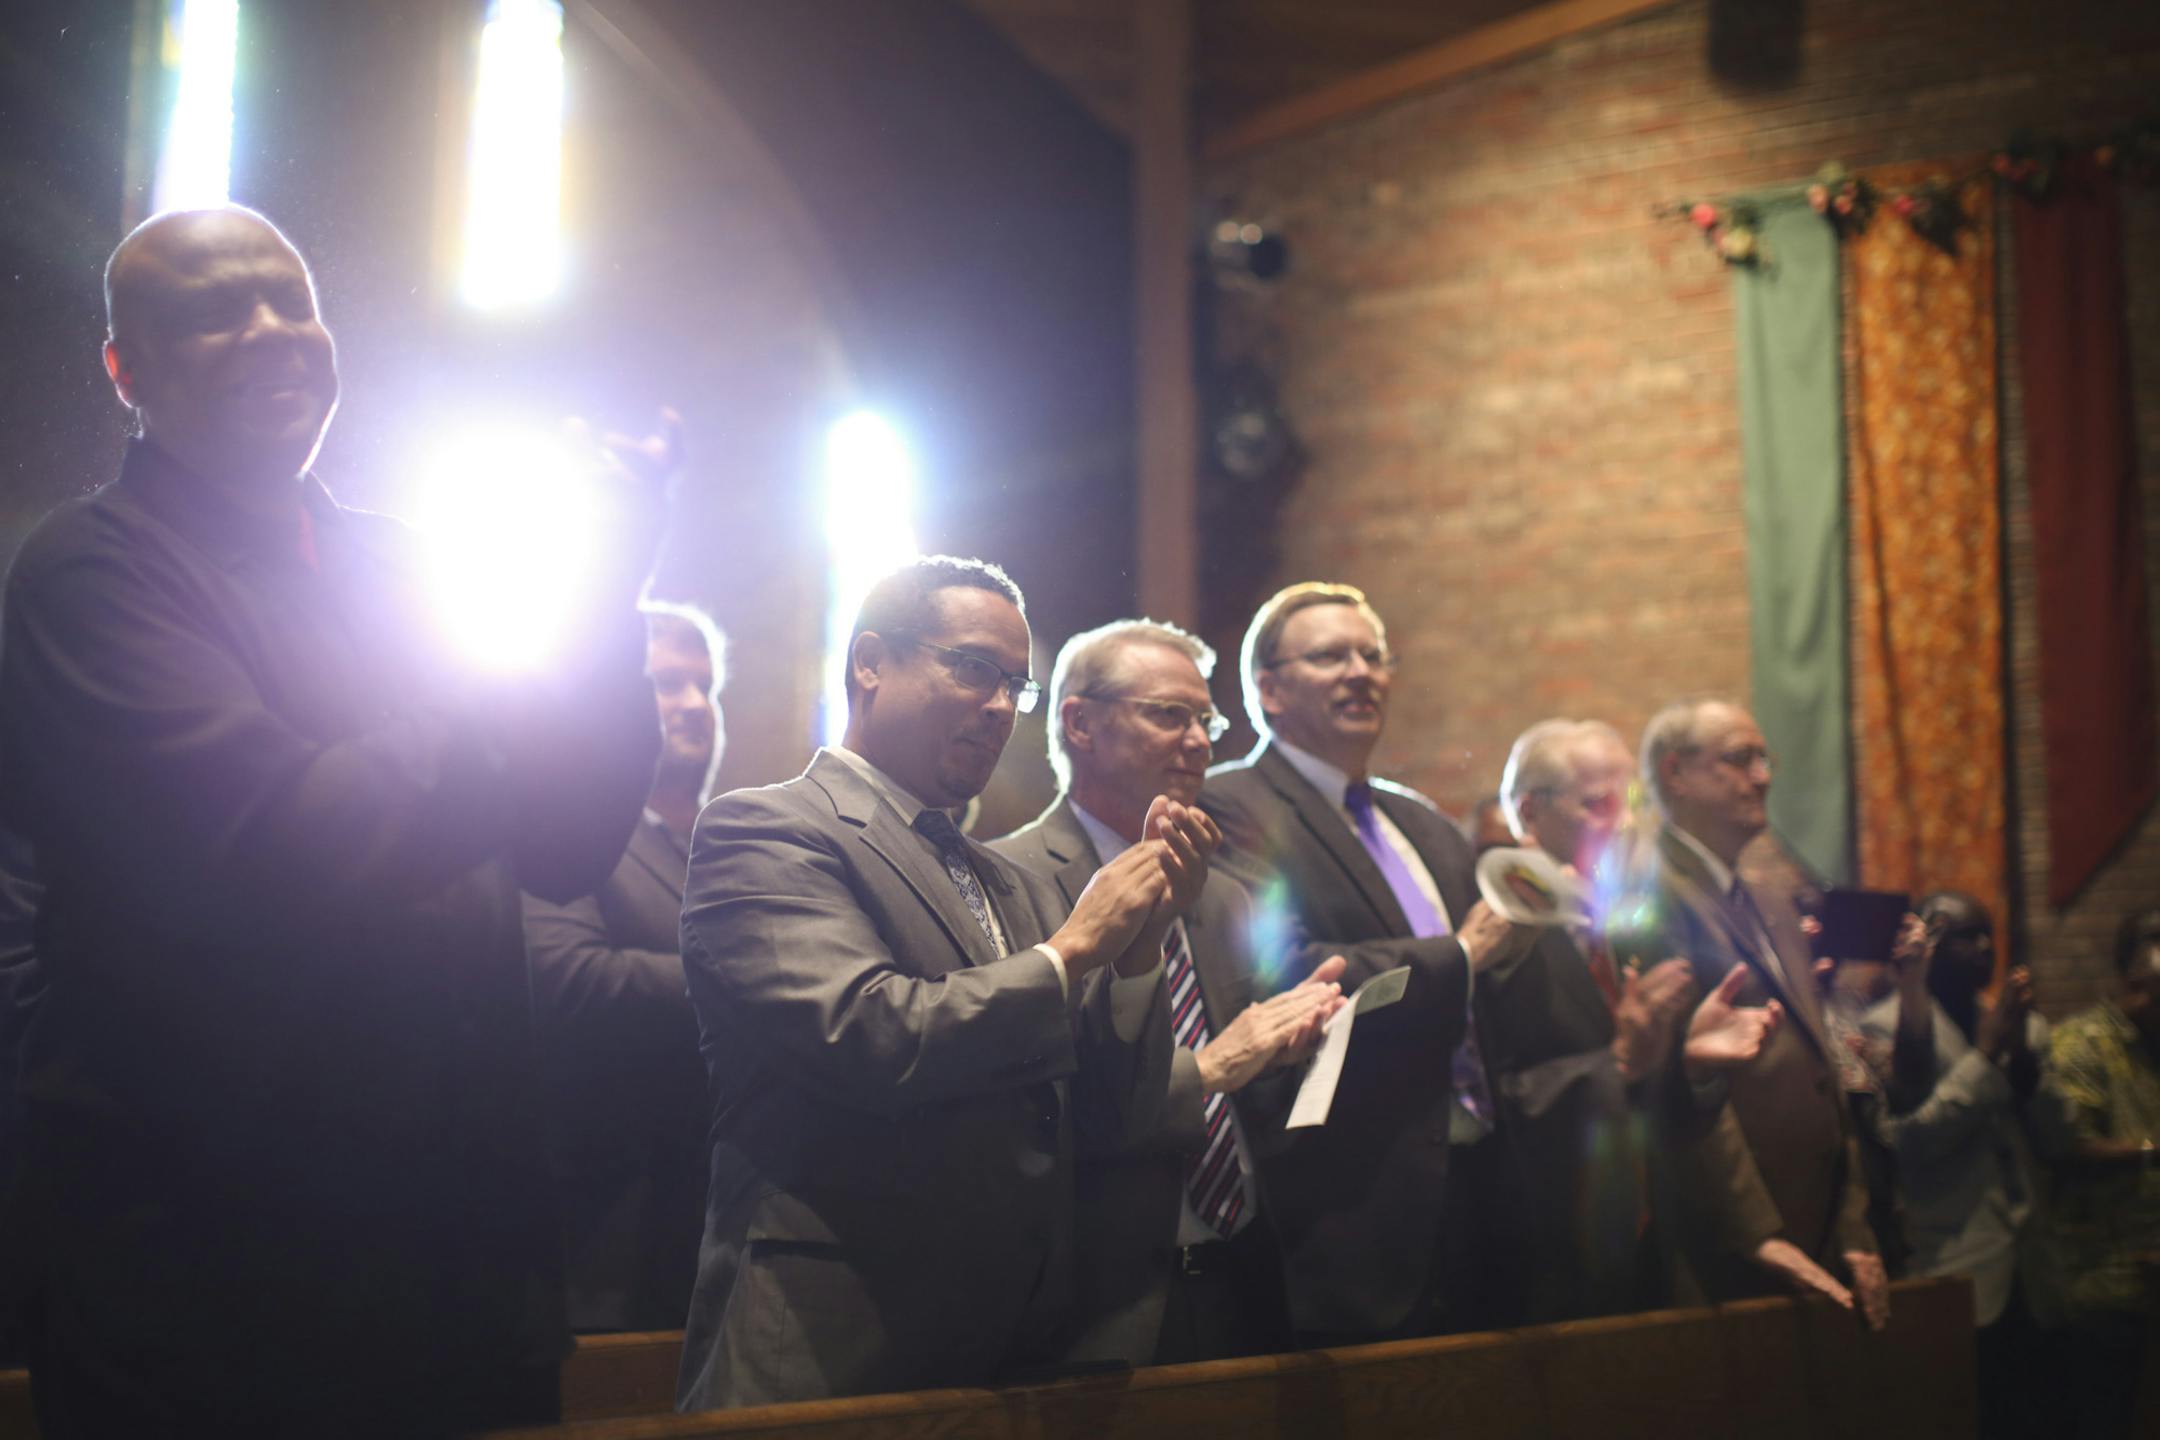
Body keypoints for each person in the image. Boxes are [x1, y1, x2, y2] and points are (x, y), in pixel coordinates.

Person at [0, 207, 668, 1435]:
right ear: (124, 368)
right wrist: (514, 692)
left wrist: (600, 614)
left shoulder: (403, 565)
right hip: (221, 1270)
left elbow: (567, 839)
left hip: (456, 1244)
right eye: (216, 311)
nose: (273, 335)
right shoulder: (93, 573)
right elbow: (283, 836)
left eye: (292, 303)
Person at [675, 557, 1204, 1409]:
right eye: (973, 670)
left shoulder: (1009, 880)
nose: (1000, 708)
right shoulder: (769, 828)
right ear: (872, 662)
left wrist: (1139, 952)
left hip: (1010, 1344)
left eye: (1016, 688)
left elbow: (1109, 1116)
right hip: (839, 1332)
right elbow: (865, 1034)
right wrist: (1070, 955)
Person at [990, 618, 1344, 1365]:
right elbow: (1033, 1106)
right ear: (1079, 722)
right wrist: (1215, 1065)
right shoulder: (1008, 881)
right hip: (1102, 1293)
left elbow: (1249, 1092)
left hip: (1246, 1274)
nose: (1200, 742)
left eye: (1206, 719)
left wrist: (1298, 1042)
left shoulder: (1224, 897)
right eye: (1168, 714)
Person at [1199, 581, 1538, 1344]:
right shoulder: (1232, 807)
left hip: (1480, 1177)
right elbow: (1286, 971)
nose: (1361, 671)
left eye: (1372, 655)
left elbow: (1487, 989)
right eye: (1330, 656)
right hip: (1357, 1197)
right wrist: (1459, 955)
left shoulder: (1421, 821)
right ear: (1269, 690)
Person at [1633, 698, 1888, 1328]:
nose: (1763, 776)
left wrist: (1852, 1222)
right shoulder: (1650, 896)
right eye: (1738, 759)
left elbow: (1824, 1066)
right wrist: (1755, 1232)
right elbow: (1682, 1083)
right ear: (1675, 774)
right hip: (1728, 1241)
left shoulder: (1770, 901)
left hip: (1817, 1217)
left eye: (1762, 758)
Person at [524, 603, 727, 1333]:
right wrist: (749, 982)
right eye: (667, 684)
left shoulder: (726, 840)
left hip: (710, 1227)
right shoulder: (567, 829)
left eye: (707, 687)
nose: (695, 706)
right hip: (606, 1229)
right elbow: (568, 978)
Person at [1492, 718, 1696, 1317]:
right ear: (1531, 813)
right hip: (1545, 1247)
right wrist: (1619, 1063)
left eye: (1631, 802)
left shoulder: (1620, 916)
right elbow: (1497, 1096)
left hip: (1643, 1225)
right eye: (1601, 805)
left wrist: (1693, 1058)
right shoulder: (1497, 925)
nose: (1626, 823)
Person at [1858, 895, 2046, 1439]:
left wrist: (2025, 1060)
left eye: (1988, 935)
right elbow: (1908, 1144)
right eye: (1966, 937)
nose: (1984, 949)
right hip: (1948, 1260)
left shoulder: (2011, 1019)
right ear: (1928, 947)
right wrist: (1985, 1059)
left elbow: (2048, 1135)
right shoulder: (1880, 1028)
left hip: (2028, 1260)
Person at [2029, 907, 2160, 1439]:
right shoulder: (2081, 1042)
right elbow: (2067, 1148)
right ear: (2131, 971)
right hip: (2101, 1281)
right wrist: (2151, 1152)